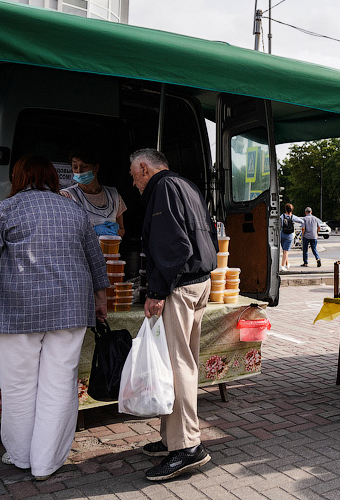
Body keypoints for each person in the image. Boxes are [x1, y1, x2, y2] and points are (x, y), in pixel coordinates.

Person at [0, 154, 108, 480]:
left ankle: (22, 456)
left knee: (18, 387)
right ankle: (45, 463)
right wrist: (101, 298)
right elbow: (96, 259)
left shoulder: (1, 210)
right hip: (70, 308)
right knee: (59, 384)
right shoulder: (74, 210)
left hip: (16, 310)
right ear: (54, 180)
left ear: (17, 178)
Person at [129, 148, 217, 481]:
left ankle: (187, 448)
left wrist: (156, 291)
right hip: (198, 281)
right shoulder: (185, 184)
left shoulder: (163, 189)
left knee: (178, 366)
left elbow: (171, 245)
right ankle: (172, 438)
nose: (133, 182)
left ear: (143, 167)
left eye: (133, 175)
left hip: (180, 286)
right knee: (180, 363)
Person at [60, 148, 127, 237]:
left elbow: (122, 230)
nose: (79, 171)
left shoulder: (113, 195)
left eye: (84, 167)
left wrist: (113, 232)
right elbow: (64, 231)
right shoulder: (67, 195)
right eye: (75, 167)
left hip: (109, 249)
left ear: (95, 168)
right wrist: (93, 230)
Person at [279, 203, 302, 272]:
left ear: (285, 209)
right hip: (289, 235)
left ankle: (287, 264)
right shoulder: (293, 217)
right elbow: (302, 221)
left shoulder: (282, 216)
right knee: (286, 251)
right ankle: (282, 266)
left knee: (284, 250)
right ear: (292, 209)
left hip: (282, 234)